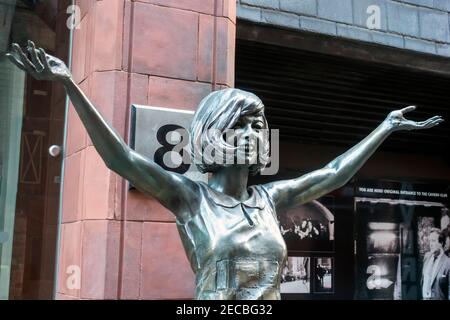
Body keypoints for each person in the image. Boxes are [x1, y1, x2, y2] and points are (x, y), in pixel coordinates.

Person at [6, 41, 444, 300]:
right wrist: (69, 86)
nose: (255, 131)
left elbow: (333, 173)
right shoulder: (189, 198)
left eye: (259, 123)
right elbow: (120, 159)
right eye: (242, 123)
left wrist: (385, 126)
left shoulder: (269, 199)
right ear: (215, 132)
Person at [421, 228, 450, 300]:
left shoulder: (448, 263)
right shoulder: (426, 257)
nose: (430, 244)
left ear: (441, 243)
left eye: (433, 241)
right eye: (430, 241)